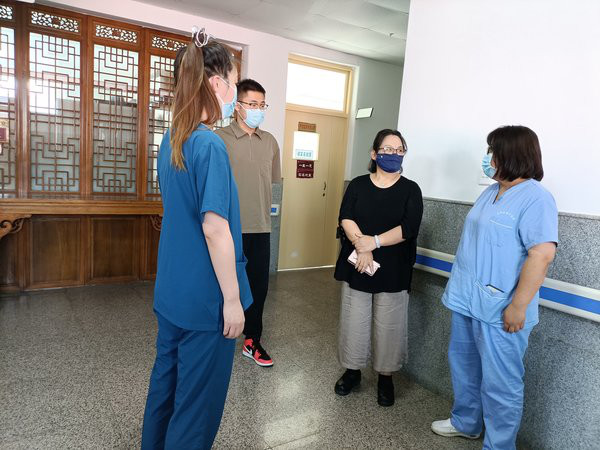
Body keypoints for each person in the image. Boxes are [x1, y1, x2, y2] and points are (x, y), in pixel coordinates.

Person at [141, 29, 252, 450]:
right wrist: (231, 300)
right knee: (196, 406)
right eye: (234, 83)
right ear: (216, 83)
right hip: (206, 300)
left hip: (173, 292)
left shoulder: (172, 138)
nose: (235, 94)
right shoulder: (209, 145)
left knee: (166, 389)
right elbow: (214, 228)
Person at [431, 126, 558, 449]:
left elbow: (541, 254)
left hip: (502, 308)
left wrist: (518, 305)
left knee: (501, 383)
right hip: (467, 299)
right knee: (464, 368)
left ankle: (499, 444)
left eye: (493, 151)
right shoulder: (491, 192)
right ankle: (466, 422)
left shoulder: (537, 198)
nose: (488, 158)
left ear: (512, 154)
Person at [333, 129, 423, 406]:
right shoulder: (358, 184)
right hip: (358, 265)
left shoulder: (411, 189)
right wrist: (362, 246)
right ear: (374, 154)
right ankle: (352, 371)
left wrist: (373, 242)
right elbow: (345, 216)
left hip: (394, 269)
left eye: (399, 150)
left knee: (389, 325)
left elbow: (408, 228)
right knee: (354, 321)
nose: (394, 154)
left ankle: (386, 377)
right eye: (387, 149)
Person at [215, 79, 281, 367]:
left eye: (262, 105)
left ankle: (252, 341)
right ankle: (217, 338)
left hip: (261, 227)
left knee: (257, 288)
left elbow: (273, 182)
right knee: (221, 286)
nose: (258, 110)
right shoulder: (219, 139)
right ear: (237, 106)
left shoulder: (270, 142)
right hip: (226, 229)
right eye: (252, 104)